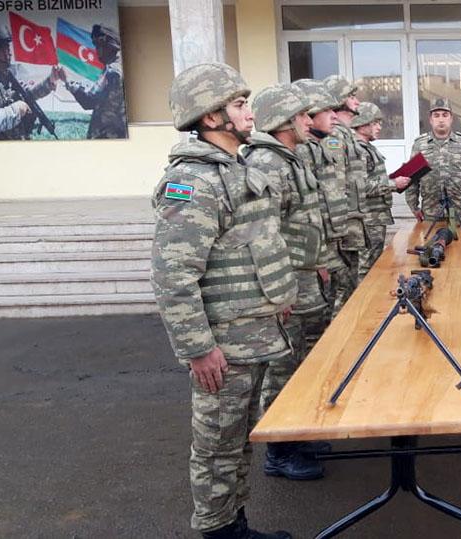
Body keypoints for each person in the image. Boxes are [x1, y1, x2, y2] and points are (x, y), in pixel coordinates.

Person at [151, 62, 295, 539]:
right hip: (223, 347)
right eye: (239, 104)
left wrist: (278, 296)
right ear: (211, 117)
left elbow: (255, 244)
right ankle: (218, 530)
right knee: (216, 446)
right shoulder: (193, 182)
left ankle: (235, 524)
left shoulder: (237, 167)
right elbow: (174, 274)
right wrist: (198, 348)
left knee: (236, 441)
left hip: (253, 334)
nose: (249, 112)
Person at [242, 83, 329, 481]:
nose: (309, 121)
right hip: (287, 286)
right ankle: (279, 451)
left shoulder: (288, 158)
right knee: (282, 368)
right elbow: (264, 234)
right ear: (282, 121)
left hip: (303, 278)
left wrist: (318, 262)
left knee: (299, 363)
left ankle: (297, 433)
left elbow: (301, 221)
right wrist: (279, 292)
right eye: (301, 115)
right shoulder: (267, 163)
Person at [292, 79, 356, 325]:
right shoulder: (300, 152)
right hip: (313, 252)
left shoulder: (317, 147)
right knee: (315, 316)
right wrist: (317, 258)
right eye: (327, 111)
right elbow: (303, 209)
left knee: (336, 300)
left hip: (330, 243)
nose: (335, 116)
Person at [350, 101, 411, 276]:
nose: (379, 127)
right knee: (365, 269)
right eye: (375, 123)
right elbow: (359, 186)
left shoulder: (367, 148)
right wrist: (393, 184)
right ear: (362, 124)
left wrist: (395, 179)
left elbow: (371, 178)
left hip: (374, 219)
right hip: (367, 221)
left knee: (373, 266)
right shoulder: (358, 150)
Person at [0, 24, 64, 140]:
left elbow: (30, 94)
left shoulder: (10, 79)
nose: (9, 52)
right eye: (5, 47)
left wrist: (50, 80)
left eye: (9, 47)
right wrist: (19, 108)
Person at [322, 75, 368, 284]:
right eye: (351, 97)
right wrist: (338, 231)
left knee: (350, 282)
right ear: (339, 99)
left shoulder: (345, 134)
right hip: (342, 228)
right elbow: (336, 186)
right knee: (342, 286)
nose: (357, 102)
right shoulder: (335, 136)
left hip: (351, 223)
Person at [406, 98, 461, 222]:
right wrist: (413, 206)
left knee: (460, 236)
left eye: (445, 115)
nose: (441, 120)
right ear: (430, 120)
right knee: (430, 236)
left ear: (451, 118)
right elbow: (411, 178)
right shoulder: (419, 145)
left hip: (458, 213)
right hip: (430, 213)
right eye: (436, 115)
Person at [64, 24, 127, 138]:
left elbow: (89, 100)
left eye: (98, 46)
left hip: (107, 137)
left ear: (108, 45)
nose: (96, 51)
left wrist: (67, 81)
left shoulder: (112, 71)